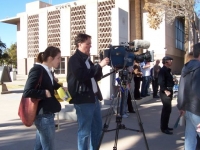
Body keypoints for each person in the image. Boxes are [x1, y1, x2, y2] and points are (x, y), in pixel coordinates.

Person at [67, 33, 109, 150]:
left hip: (93, 98)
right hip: (83, 99)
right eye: (88, 44)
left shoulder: (87, 59)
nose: (90, 46)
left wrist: (100, 67)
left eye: (91, 43)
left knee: (97, 129)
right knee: (84, 131)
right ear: (80, 44)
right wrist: (99, 65)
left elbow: (95, 76)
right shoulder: (74, 59)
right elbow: (82, 75)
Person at [23, 46, 62, 150]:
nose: (60, 61)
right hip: (43, 116)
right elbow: (27, 91)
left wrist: (60, 87)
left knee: (39, 147)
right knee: (48, 147)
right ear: (50, 58)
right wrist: (44, 92)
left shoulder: (48, 71)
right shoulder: (37, 70)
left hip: (47, 115)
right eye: (58, 58)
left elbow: (48, 84)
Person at [177, 43, 200, 150]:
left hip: (188, 109)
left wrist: (181, 106)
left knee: (190, 139)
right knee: (190, 139)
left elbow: (181, 88)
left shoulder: (186, 67)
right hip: (197, 111)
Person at [158, 56, 174, 135]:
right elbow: (161, 81)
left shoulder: (168, 70)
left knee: (168, 110)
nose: (171, 62)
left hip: (169, 91)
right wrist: (165, 90)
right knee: (166, 109)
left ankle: (165, 126)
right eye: (170, 60)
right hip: (165, 92)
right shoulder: (163, 70)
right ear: (166, 62)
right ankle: (163, 128)